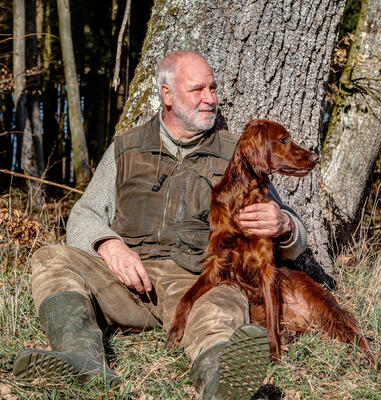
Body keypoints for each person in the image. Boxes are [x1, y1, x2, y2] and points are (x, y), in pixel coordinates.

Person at [13, 50, 307, 399]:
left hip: (199, 283)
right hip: (128, 283)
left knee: (223, 305)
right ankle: (82, 357)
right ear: (167, 95)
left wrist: (284, 224)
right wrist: (109, 245)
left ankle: (221, 383)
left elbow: (293, 231)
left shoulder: (237, 152)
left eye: (213, 88)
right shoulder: (127, 148)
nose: (210, 99)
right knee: (51, 258)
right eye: (198, 89)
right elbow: (84, 213)